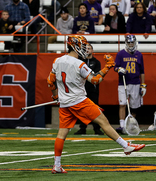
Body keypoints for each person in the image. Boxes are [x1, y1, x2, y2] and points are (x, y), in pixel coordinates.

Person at [47, 35, 146, 173]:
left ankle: (57, 165)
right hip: (79, 100)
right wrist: (108, 67)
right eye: (82, 46)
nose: (84, 49)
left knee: (61, 134)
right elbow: (95, 80)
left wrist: (55, 95)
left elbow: (50, 81)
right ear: (75, 46)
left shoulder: (57, 60)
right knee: (103, 121)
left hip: (64, 103)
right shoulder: (79, 64)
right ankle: (125, 146)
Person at [114, 35, 146, 134]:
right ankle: (122, 125)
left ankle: (131, 125)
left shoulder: (139, 55)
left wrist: (143, 84)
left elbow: (142, 71)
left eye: (132, 43)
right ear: (126, 43)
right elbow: (115, 67)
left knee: (134, 106)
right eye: (129, 43)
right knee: (122, 104)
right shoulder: (121, 54)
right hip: (123, 83)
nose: (131, 45)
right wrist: (119, 69)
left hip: (136, 83)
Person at [74, 44, 104, 135]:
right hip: (82, 89)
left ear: (92, 50)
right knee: (82, 109)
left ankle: (97, 128)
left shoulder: (96, 62)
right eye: (85, 49)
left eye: (89, 48)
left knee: (95, 109)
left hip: (93, 89)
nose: (87, 50)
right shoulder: (80, 61)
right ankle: (82, 128)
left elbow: (96, 74)